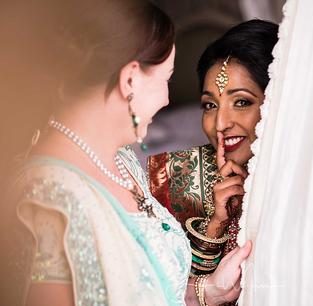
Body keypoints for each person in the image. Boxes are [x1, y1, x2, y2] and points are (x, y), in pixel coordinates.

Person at [9, 1, 251, 305]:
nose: (166, 99)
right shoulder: (51, 199)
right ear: (130, 80)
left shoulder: (121, 161)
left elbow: (148, 288)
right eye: (166, 80)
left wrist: (206, 290)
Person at [148, 20, 278, 275]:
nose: (220, 124)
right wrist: (216, 225)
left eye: (241, 102)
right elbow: (163, 291)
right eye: (210, 105)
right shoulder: (177, 179)